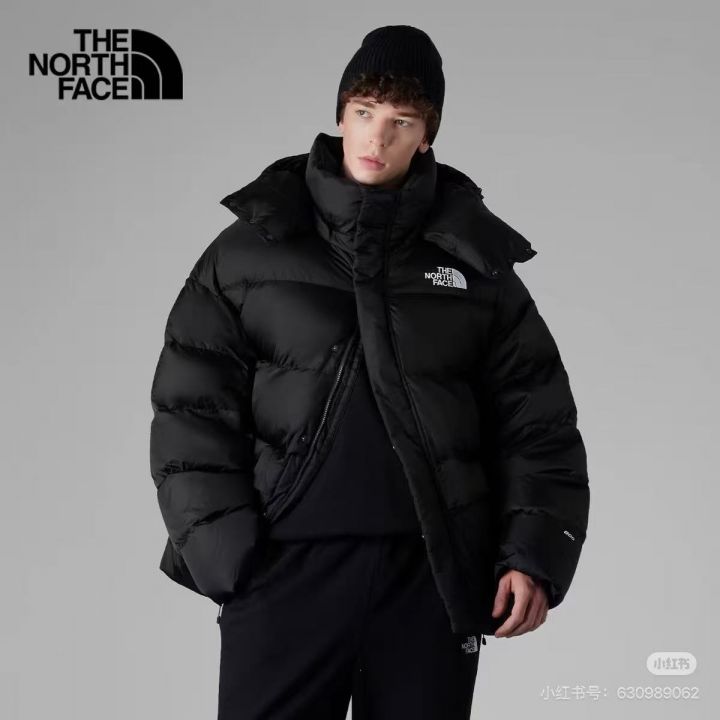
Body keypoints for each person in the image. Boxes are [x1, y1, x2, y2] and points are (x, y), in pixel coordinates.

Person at [149, 24, 590, 720]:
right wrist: (227, 555)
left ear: (427, 135)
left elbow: (539, 423)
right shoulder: (249, 251)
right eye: (363, 112)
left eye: (400, 122)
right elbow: (189, 409)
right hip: (285, 572)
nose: (376, 139)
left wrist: (531, 555)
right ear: (340, 113)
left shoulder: (476, 265)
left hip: (429, 578)